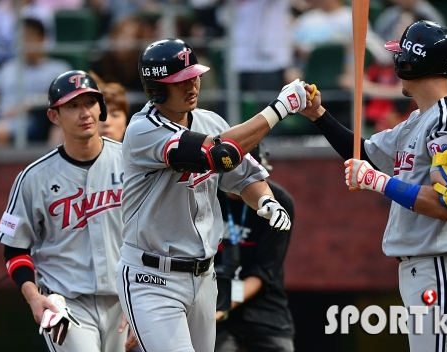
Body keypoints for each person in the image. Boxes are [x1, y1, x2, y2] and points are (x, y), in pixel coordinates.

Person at [299, 21, 447, 351]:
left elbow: (445, 202)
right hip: (431, 268)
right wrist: (318, 114)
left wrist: (377, 182)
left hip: (443, 267)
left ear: (412, 62)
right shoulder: (423, 117)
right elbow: (365, 154)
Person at [116, 38, 311, 352]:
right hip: (152, 277)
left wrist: (265, 200)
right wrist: (280, 109)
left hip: (204, 276)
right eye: (181, 80)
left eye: (195, 76)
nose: (193, 84)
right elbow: (219, 153)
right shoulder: (143, 130)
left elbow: (245, 176)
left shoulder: (210, 121)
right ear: (157, 88)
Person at [0, 70, 137, 352]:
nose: (84, 113)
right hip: (66, 303)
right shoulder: (34, 177)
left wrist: (144, 298)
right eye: (72, 106)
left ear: (101, 108)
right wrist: (32, 296)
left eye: (90, 103)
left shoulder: (130, 163)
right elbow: (14, 250)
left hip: (126, 299)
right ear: (54, 116)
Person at [215, 145, 295, 352]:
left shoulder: (279, 202)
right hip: (215, 310)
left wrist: (225, 303)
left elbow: (264, 271)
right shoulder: (208, 195)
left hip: (265, 311)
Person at [0, 17, 71, 145]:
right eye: (21, 37)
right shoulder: (9, 67)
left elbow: (62, 96)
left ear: (42, 38)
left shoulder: (58, 68)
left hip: (32, 118)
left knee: (0, 131)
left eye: (28, 37)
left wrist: (26, 105)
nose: (24, 42)